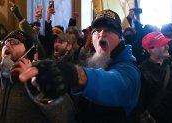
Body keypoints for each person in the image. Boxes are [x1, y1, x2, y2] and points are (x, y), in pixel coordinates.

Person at [13, 9, 141, 123]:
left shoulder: (129, 69)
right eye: (97, 30)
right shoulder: (95, 61)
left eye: (109, 30)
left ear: (120, 37)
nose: (101, 34)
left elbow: (115, 84)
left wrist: (74, 74)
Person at [0, 30, 53, 123]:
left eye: (15, 42)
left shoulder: (42, 76)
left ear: (29, 51)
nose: (7, 45)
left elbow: (64, 115)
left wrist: (34, 83)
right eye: (5, 42)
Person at [139, 31, 172, 123]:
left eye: (166, 43)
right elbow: (140, 103)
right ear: (149, 50)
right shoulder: (142, 71)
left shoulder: (171, 61)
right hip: (158, 118)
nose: (167, 46)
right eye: (161, 44)